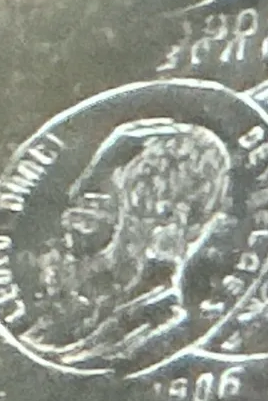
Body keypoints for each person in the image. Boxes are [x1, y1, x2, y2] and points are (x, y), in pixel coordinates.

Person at [19, 118, 236, 370]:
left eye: (93, 206)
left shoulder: (136, 337)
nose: (67, 224)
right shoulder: (81, 327)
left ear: (165, 224)